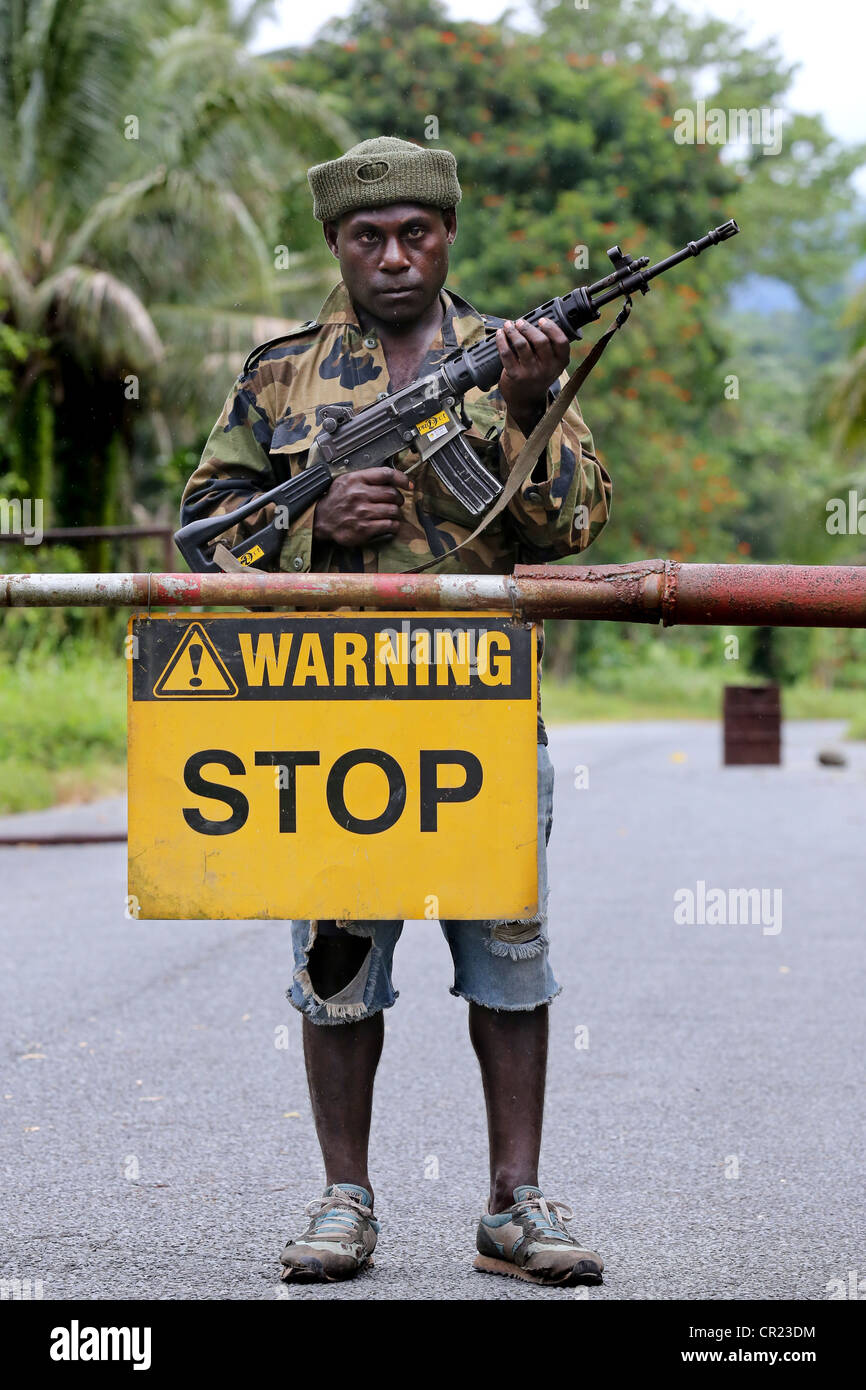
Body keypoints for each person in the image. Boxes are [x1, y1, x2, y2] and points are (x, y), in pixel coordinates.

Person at [181, 136, 611, 1287]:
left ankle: (513, 1204)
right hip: (330, 715)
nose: (391, 256)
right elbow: (201, 540)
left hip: (475, 708)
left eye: (413, 233)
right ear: (335, 243)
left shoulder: (512, 355)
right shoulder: (278, 376)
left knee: (509, 959)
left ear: (446, 236)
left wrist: (524, 409)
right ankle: (343, 1197)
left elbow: (573, 526)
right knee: (334, 967)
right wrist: (314, 529)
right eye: (366, 237)